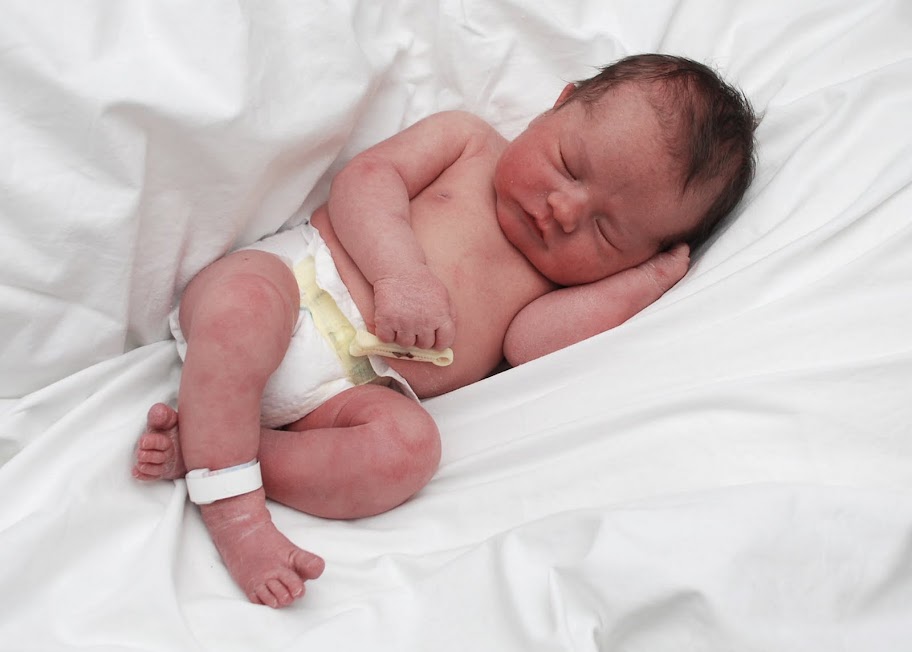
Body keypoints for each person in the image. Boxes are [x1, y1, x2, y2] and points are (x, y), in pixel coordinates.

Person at [132, 54, 758, 608]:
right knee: (241, 308)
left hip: (348, 397)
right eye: (569, 165)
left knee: (409, 451)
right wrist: (398, 273)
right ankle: (236, 514)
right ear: (561, 102)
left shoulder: (555, 284)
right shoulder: (468, 143)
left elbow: (530, 347)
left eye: (607, 231)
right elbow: (366, 181)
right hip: (294, 286)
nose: (564, 211)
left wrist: (644, 281)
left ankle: (220, 447)